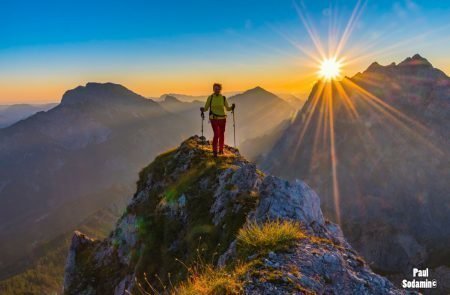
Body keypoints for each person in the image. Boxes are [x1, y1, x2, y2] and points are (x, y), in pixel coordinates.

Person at [200, 83, 235, 157]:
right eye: (215, 88)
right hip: (214, 119)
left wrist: (232, 107)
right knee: (216, 134)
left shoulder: (223, 98)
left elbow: (227, 108)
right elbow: (206, 108)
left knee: (221, 134)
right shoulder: (210, 97)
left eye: (218, 89)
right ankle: (215, 152)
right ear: (213, 89)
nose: (217, 90)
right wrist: (203, 109)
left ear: (220, 89)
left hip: (223, 119)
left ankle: (221, 151)